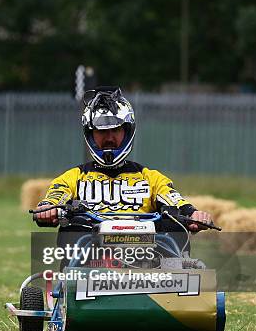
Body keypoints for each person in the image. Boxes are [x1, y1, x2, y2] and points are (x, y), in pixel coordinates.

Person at [34, 86, 212, 230]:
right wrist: (47, 208)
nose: (109, 137)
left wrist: (193, 214)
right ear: (90, 134)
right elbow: (54, 198)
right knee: (72, 229)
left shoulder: (151, 179)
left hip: (146, 261)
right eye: (101, 131)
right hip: (89, 261)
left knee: (176, 233)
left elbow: (177, 201)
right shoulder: (72, 178)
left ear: (127, 131)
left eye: (116, 130)